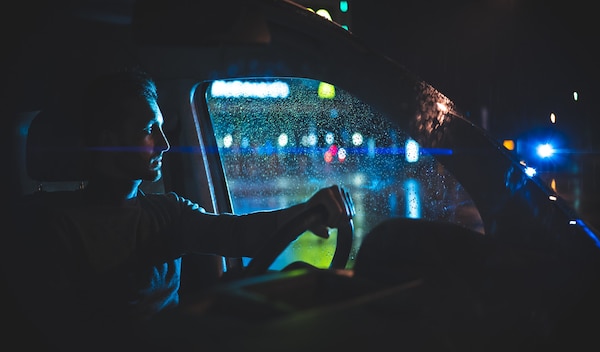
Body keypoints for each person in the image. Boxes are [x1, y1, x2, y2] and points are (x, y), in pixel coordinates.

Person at [9, 68, 354, 350]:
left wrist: (308, 210)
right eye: (148, 130)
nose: (165, 143)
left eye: (161, 127)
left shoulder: (167, 212)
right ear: (109, 139)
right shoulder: (49, 228)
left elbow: (237, 235)